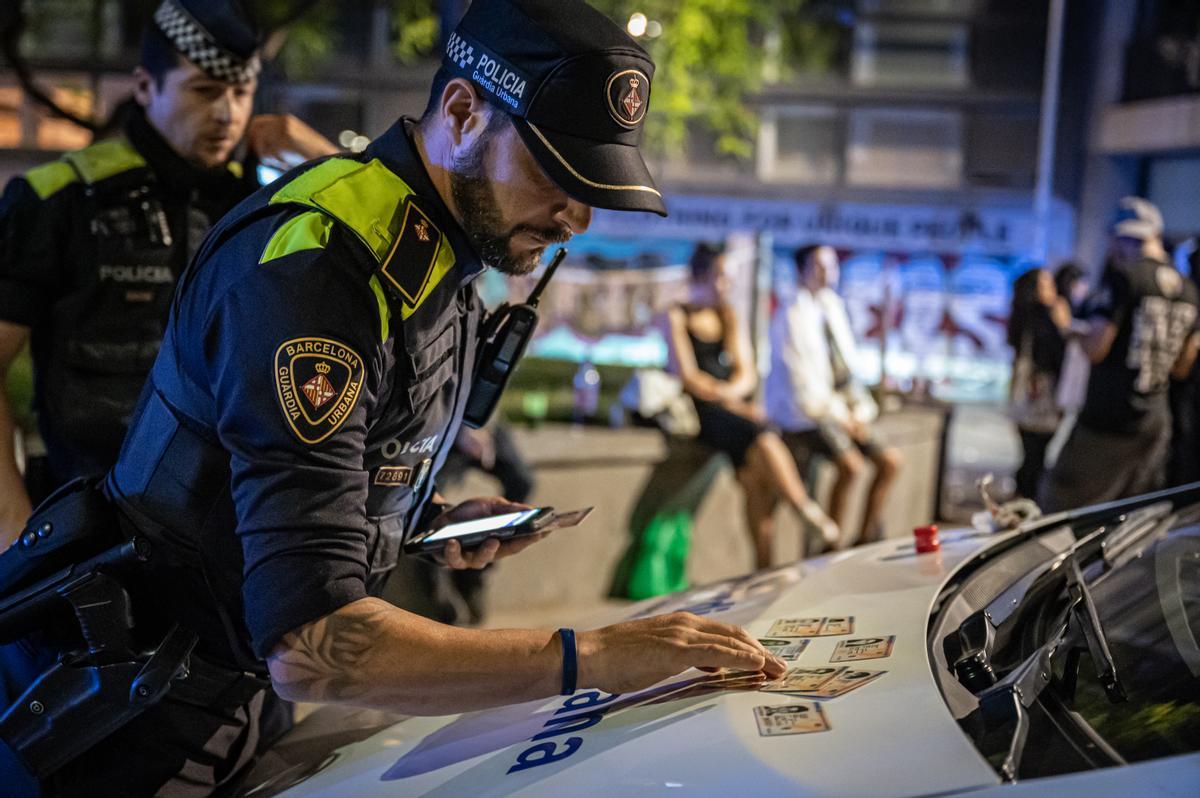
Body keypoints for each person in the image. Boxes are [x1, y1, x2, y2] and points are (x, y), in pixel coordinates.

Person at [0, 2, 784, 793]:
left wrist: (417, 522)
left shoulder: (437, 246)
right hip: (123, 723)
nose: (576, 218)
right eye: (556, 171)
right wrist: (595, 658)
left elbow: (311, 482)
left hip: (225, 696)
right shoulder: (321, 271)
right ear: (462, 110)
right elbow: (313, 647)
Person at [0, 0, 339, 546]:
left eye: (240, 93)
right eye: (204, 91)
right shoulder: (59, 201)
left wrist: (316, 155)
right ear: (143, 87)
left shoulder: (260, 205)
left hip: (234, 537)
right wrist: (13, 527)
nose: (228, 114)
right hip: (92, 534)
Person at [666, 243, 839, 569]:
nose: (727, 285)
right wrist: (730, 398)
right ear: (699, 276)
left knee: (755, 483)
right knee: (763, 435)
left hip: (732, 410)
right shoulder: (677, 314)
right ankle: (803, 509)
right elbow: (688, 376)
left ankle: (763, 566)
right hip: (704, 413)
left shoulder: (727, 313)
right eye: (720, 277)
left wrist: (731, 395)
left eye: (729, 277)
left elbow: (746, 372)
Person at [1041, 197, 1200, 511]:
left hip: (1109, 417)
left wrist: (1066, 328)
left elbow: (1097, 349)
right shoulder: (1188, 289)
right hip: (1155, 418)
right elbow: (1183, 366)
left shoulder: (1124, 277)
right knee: (1129, 517)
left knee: (1059, 504)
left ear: (1120, 238)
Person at [766, 244, 903, 546]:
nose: (828, 271)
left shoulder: (832, 307)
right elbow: (803, 387)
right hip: (805, 415)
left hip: (840, 410)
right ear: (802, 270)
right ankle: (829, 548)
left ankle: (864, 540)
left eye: (832, 264)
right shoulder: (791, 313)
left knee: (890, 461)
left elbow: (848, 371)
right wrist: (844, 417)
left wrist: (860, 413)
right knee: (850, 466)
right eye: (818, 265)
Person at [1006, 267, 1073, 499]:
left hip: (1025, 389)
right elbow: (1055, 353)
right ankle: (1026, 500)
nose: (1052, 289)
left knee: (1031, 452)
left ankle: (1023, 497)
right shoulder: (1044, 316)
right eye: (1046, 285)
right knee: (1035, 453)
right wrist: (1063, 324)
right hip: (1040, 391)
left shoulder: (1023, 315)